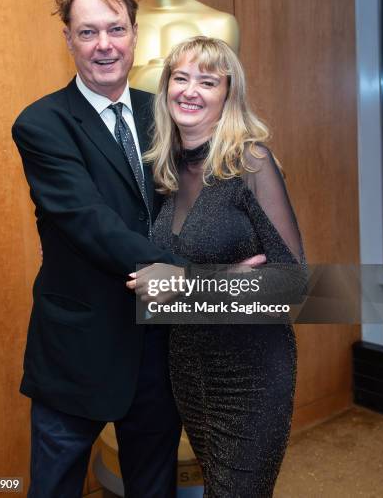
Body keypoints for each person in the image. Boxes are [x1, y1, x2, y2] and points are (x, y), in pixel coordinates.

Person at [12, 0, 189, 498]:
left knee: (155, 485)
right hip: (78, 350)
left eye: (116, 28)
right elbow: (91, 222)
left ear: (135, 34)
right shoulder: (41, 124)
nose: (104, 44)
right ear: (68, 39)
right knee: (55, 487)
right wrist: (199, 282)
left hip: (158, 346)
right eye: (88, 32)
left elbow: (201, 203)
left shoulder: (166, 115)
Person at [128, 36, 305, 497]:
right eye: (181, 78)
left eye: (208, 81)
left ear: (228, 95)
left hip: (252, 372)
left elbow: (291, 283)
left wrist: (189, 282)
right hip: (188, 370)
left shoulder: (250, 162)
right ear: (165, 89)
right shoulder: (166, 173)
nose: (191, 90)